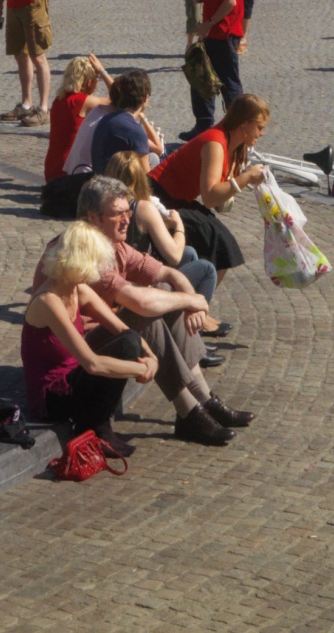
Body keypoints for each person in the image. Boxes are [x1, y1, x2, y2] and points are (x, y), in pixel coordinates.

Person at [71, 172, 249, 444]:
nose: (127, 220)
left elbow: (168, 272)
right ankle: (189, 411)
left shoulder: (114, 245)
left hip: (106, 337)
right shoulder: (87, 253)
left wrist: (191, 299)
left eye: (127, 211)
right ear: (92, 217)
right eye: (117, 214)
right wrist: (193, 301)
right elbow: (140, 302)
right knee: (150, 311)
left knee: (166, 292)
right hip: (78, 355)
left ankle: (202, 399)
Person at [21, 218, 160, 458]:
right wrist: (139, 368)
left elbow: (121, 328)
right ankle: (98, 427)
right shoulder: (48, 301)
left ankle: (98, 423)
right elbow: (91, 363)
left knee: (129, 339)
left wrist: (152, 357)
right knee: (127, 346)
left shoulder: (77, 289)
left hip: (74, 379)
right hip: (53, 397)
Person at [151, 93, 271, 284]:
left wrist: (242, 179)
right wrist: (246, 178)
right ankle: (196, 304)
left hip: (176, 199)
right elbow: (210, 197)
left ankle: (193, 300)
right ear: (244, 124)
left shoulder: (233, 144)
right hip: (159, 198)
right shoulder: (215, 143)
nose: (262, 133)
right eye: (259, 127)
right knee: (223, 245)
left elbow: (218, 198)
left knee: (220, 244)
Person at [103, 147, 219, 308]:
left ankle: (186, 311)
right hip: (136, 282)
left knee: (190, 253)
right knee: (207, 269)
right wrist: (179, 226)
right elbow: (174, 256)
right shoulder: (142, 208)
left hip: (119, 273)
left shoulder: (103, 203)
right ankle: (198, 318)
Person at [42, 53, 113, 216]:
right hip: (68, 172)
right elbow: (122, 98)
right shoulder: (84, 102)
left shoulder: (58, 100)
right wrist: (102, 71)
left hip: (51, 169)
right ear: (89, 82)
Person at [89, 69, 163, 172]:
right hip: (120, 185)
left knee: (153, 158)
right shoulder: (136, 132)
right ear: (145, 98)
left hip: (99, 179)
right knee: (155, 160)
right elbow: (147, 179)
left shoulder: (105, 120)